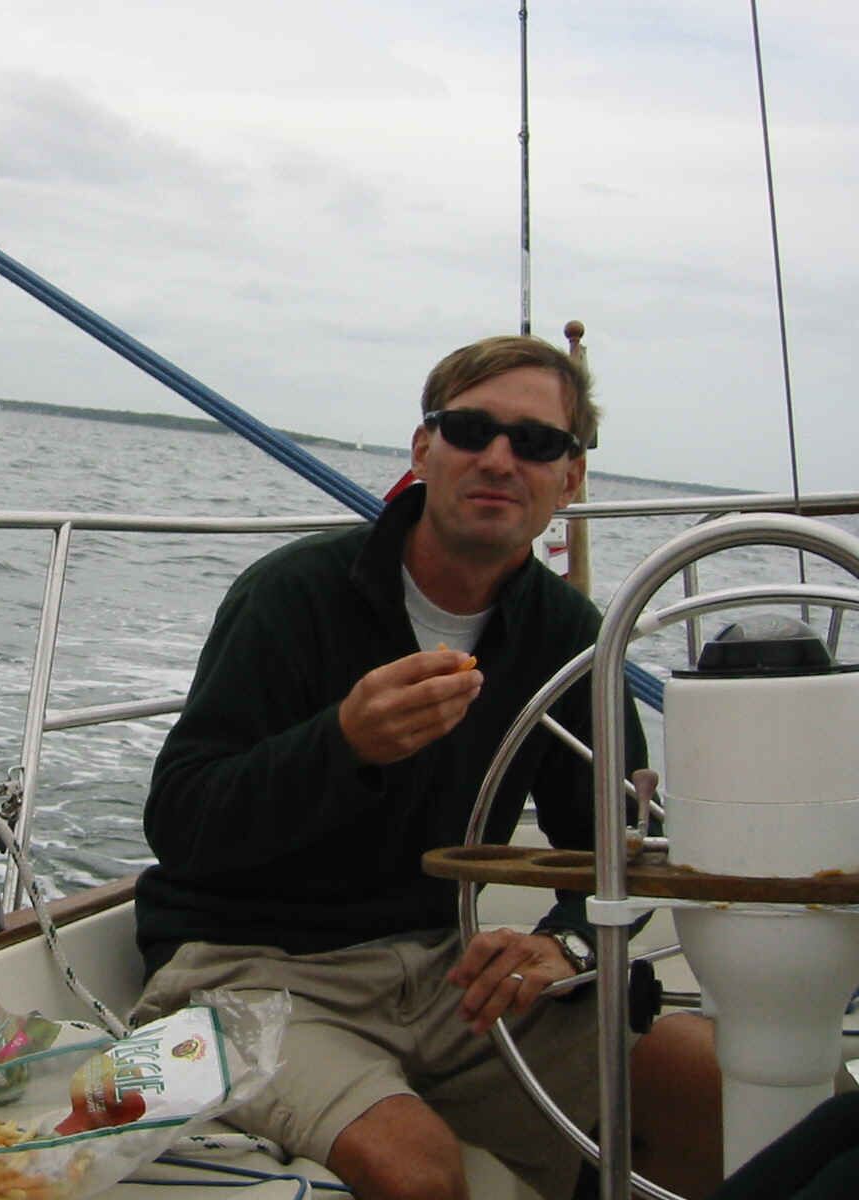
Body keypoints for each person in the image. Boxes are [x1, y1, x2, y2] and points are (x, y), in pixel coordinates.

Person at [131, 335, 722, 1200]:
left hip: (445, 972)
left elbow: (616, 845)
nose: (498, 458)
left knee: (700, 1075)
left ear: (572, 478)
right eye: (469, 429)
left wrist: (559, 943)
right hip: (252, 967)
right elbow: (181, 824)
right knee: (414, 1168)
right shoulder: (293, 596)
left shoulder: (566, 636)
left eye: (536, 442)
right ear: (423, 450)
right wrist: (341, 744)